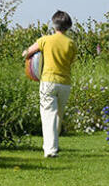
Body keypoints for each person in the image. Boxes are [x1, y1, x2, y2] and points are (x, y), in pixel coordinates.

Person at [21, 10, 76, 158]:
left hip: (48, 81)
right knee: (58, 115)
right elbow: (70, 62)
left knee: (48, 115)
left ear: (54, 24)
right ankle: (53, 145)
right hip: (65, 83)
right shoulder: (71, 44)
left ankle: (50, 150)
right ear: (68, 26)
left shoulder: (45, 40)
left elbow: (26, 53)